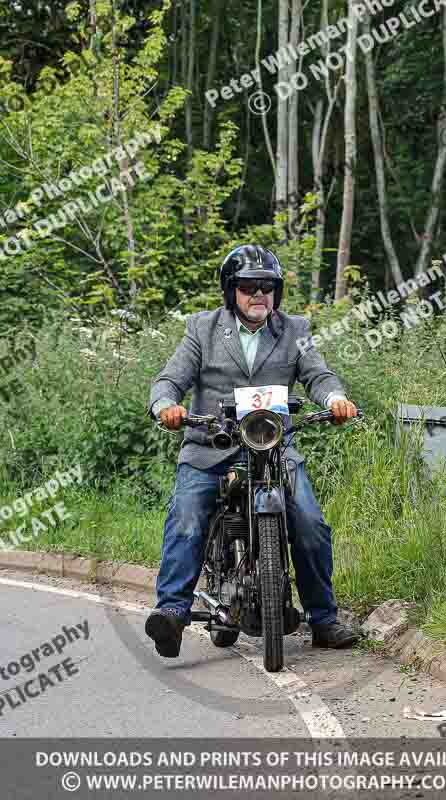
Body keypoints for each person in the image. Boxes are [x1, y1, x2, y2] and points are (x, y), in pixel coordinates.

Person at [145, 244, 362, 658]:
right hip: (211, 448)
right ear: (232, 291)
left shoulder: (294, 330)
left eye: (268, 286)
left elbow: (318, 374)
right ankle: (171, 612)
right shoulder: (201, 328)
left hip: (274, 449)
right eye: (248, 286)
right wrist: (166, 406)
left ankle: (323, 619)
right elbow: (169, 380)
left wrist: (334, 398)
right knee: (187, 516)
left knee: (310, 523)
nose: (259, 294)